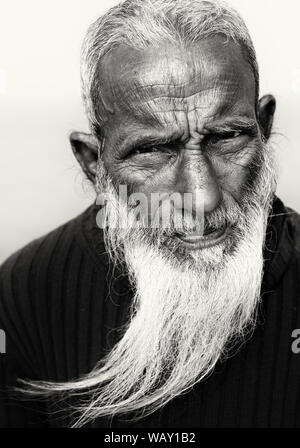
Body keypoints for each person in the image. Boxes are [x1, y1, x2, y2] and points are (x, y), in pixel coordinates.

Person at [1, 0, 300, 428]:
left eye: (228, 137)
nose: (201, 197)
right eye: (153, 150)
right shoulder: (27, 292)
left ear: (264, 128)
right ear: (94, 164)